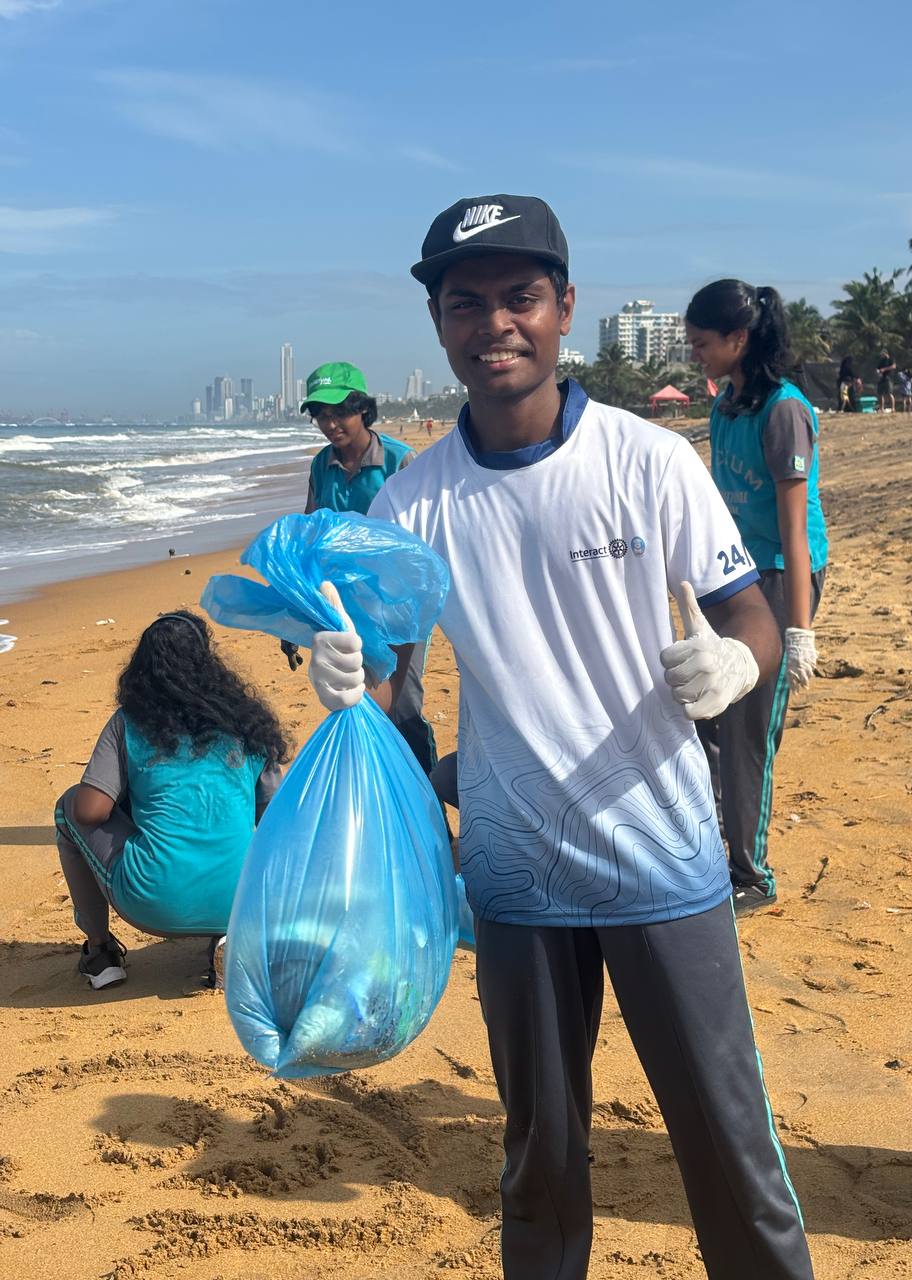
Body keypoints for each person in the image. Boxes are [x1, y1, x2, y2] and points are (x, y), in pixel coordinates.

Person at [306, 195, 815, 1280]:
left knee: (729, 1144)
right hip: (514, 872)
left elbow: (750, 611)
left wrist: (738, 662)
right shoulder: (409, 504)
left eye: (521, 297)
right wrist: (344, 683)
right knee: (538, 1156)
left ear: (564, 307)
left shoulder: (650, 461)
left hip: (665, 860)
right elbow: (394, 678)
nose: (497, 322)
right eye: (467, 301)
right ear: (440, 322)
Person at [685, 281, 829, 916]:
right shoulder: (726, 406)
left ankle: (753, 875)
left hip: (777, 577)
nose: (695, 355)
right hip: (731, 574)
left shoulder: (783, 412)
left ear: (738, 340)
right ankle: (710, 849)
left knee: (747, 728)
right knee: (705, 716)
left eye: (703, 344)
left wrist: (798, 630)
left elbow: (795, 534)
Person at [54, 612, 288, 990]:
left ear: (142, 668)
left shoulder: (130, 722)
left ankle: (100, 952)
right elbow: (277, 814)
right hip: (244, 897)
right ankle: (229, 935)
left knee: (68, 807)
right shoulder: (246, 724)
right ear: (209, 663)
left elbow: (90, 811)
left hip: (151, 902)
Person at [279, 361, 439, 778]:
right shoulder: (321, 466)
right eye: (321, 415)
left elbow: (422, 548)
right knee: (356, 700)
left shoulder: (401, 463)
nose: (330, 424)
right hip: (347, 609)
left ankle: (427, 808)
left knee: (402, 705)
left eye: (339, 413)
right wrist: (296, 611)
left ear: (362, 410)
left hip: (399, 607)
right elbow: (310, 538)